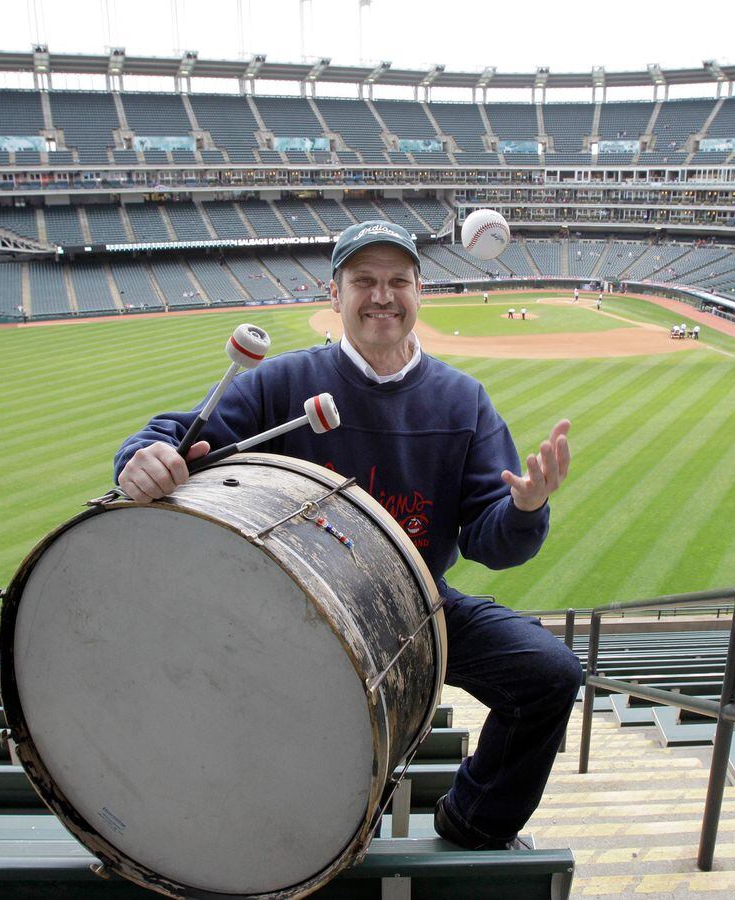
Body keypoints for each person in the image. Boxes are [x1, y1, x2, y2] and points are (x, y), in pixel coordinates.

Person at [114, 220, 581, 851]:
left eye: (398, 281)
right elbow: (182, 435)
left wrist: (525, 509)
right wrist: (141, 457)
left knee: (550, 674)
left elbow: (492, 544)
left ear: (421, 292)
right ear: (335, 295)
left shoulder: (461, 401)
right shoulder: (278, 383)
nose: (382, 296)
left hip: (414, 602)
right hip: (288, 606)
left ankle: (475, 820)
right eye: (364, 281)